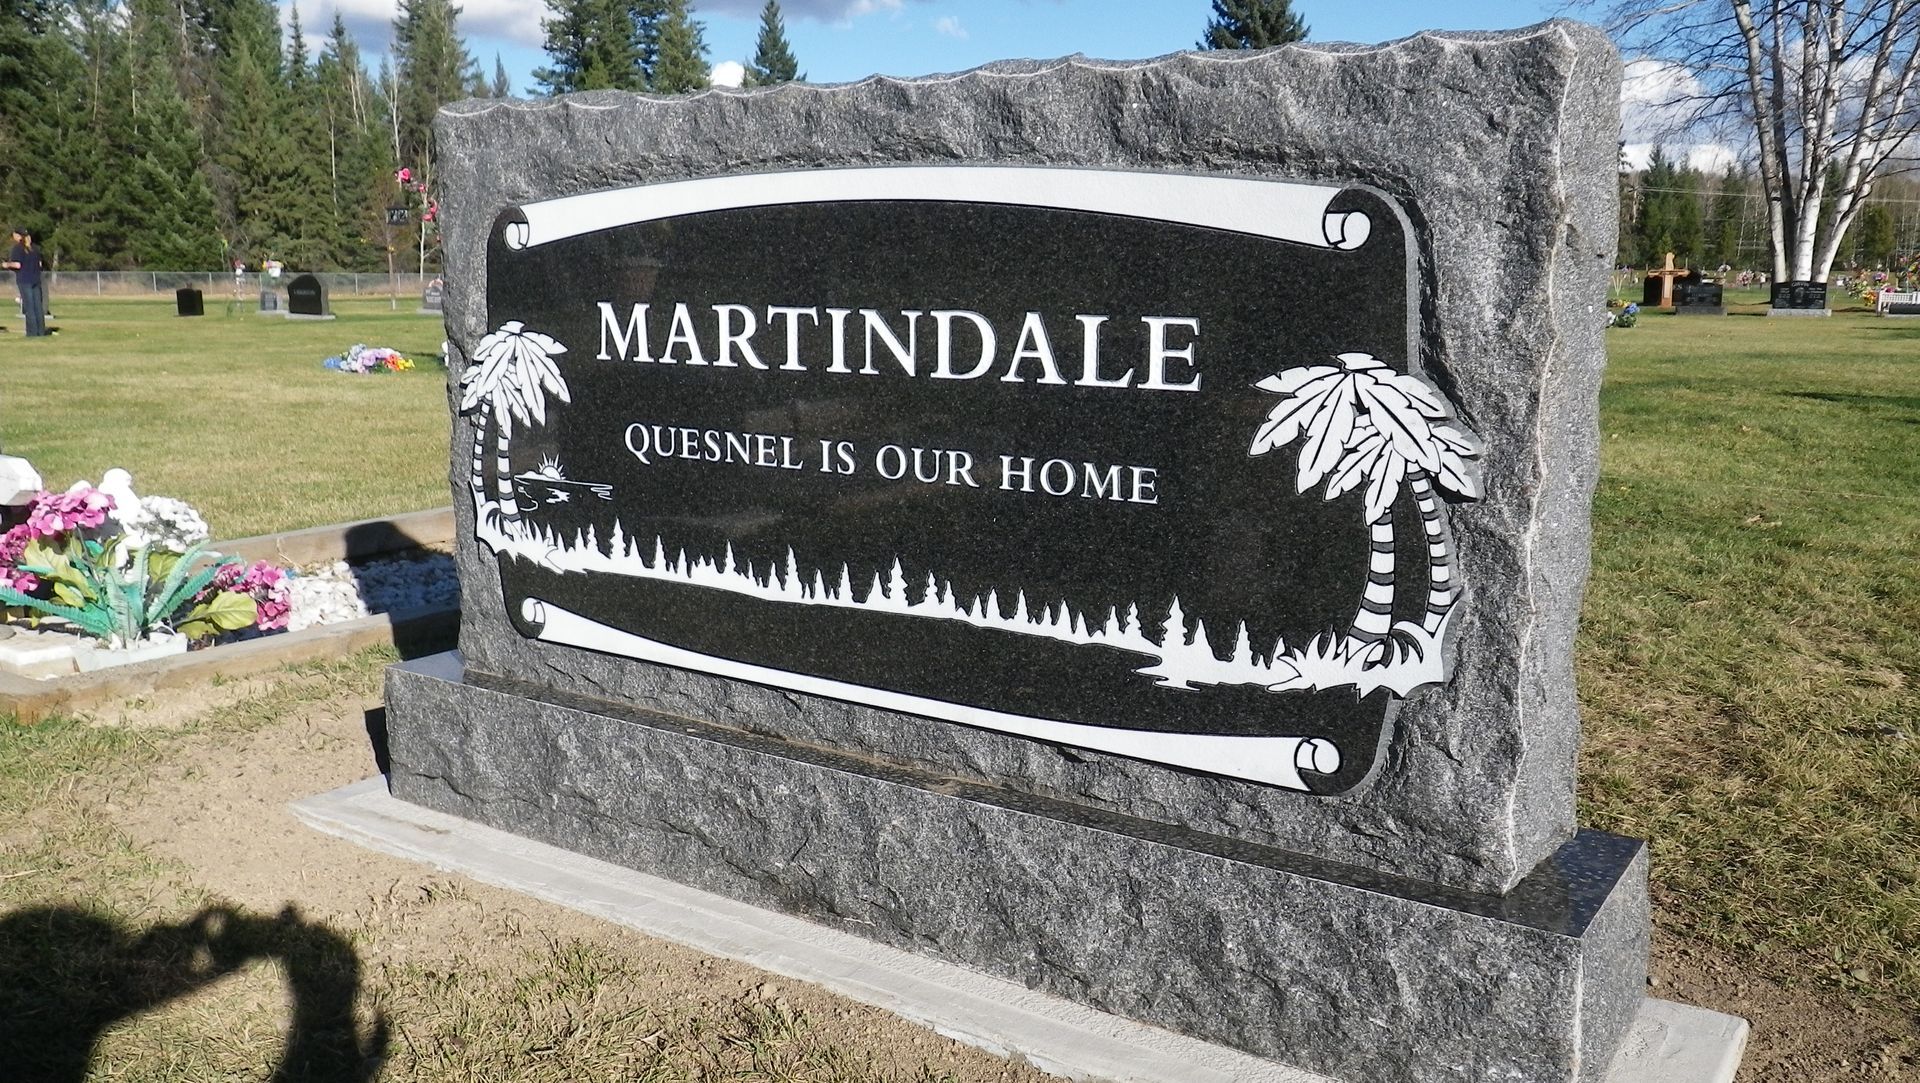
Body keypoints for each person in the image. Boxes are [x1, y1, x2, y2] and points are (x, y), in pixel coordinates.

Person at [2, 228, 47, 337]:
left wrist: (6, 265)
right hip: (36, 279)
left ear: (18, 236)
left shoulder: (17, 249)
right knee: (38, 307)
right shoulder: (35, 248)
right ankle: (40, 331)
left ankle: (32, 332)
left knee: (29, 307)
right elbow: (40, 264)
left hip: (25, 280)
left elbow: (17, 265)